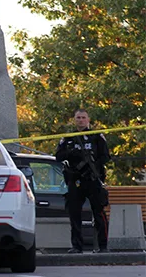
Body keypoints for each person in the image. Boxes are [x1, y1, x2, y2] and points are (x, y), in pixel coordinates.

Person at [55, 109, 111, 254]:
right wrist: (71, 153)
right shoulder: (68, 138)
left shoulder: (97, 137)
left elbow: (106, 157)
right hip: (75, 180)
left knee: (98, 213)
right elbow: (58, 156)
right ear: (74, 120)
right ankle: (77, 246)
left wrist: (94, 166)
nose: (80, 120)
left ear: (88, 119)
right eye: (78, 118)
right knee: (75, 214)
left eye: (83, 117)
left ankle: (103, 246)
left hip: (92, 179)